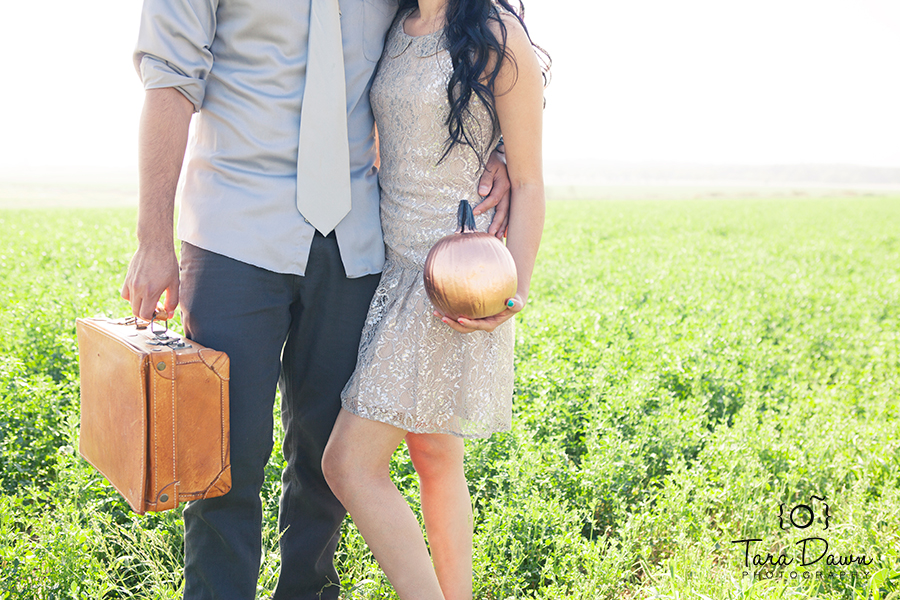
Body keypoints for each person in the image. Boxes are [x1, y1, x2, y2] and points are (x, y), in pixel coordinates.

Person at [119, 1, 512, 598]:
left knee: (325, 465)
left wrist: (503, 153)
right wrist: (153, 239)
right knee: (223, 461)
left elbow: (469, 43)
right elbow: (169, 79)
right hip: (235, 231)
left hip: (354, 241)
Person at [321, 0, 548, 598]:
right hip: (391, 270)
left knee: (348, 466)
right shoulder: (394, 21)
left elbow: (527, 179)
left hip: (448, 281)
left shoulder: (496, 34)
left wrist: (510, 294)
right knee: (436, 457)